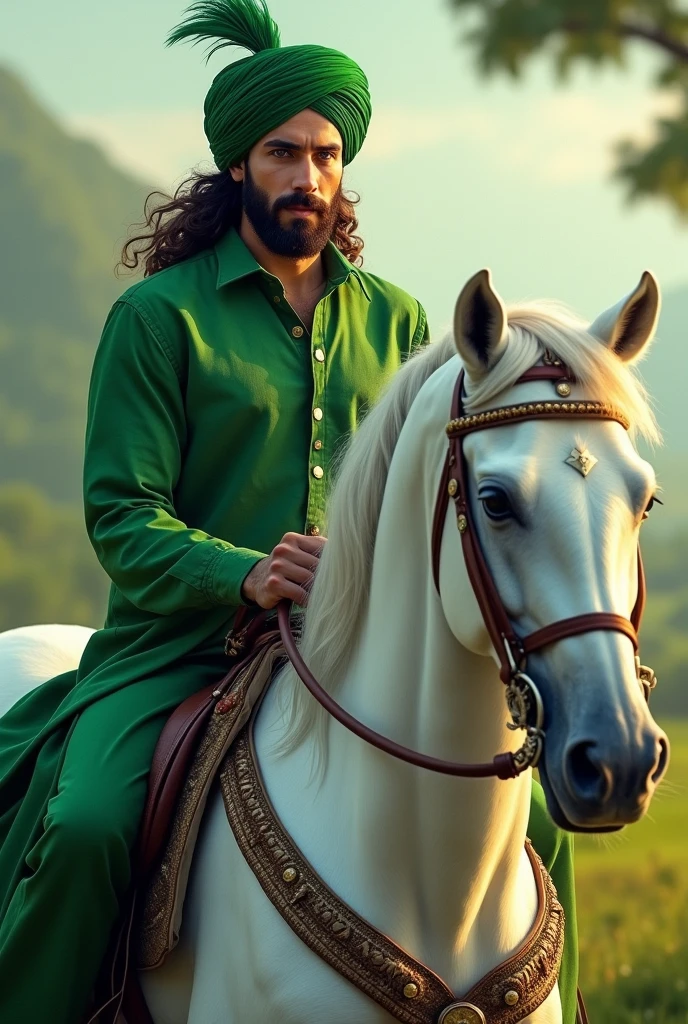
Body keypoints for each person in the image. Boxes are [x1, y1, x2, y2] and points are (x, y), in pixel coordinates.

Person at [0, 1, 579, 1021]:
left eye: (324, 154)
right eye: (282, 153)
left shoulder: (402, 321)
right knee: (91, 823)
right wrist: (244, 571)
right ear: (237, 166)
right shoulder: (157, 317)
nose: (306, 176)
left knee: (535, 811)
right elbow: (122, 513)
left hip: (362, 651)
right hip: (181, 649)